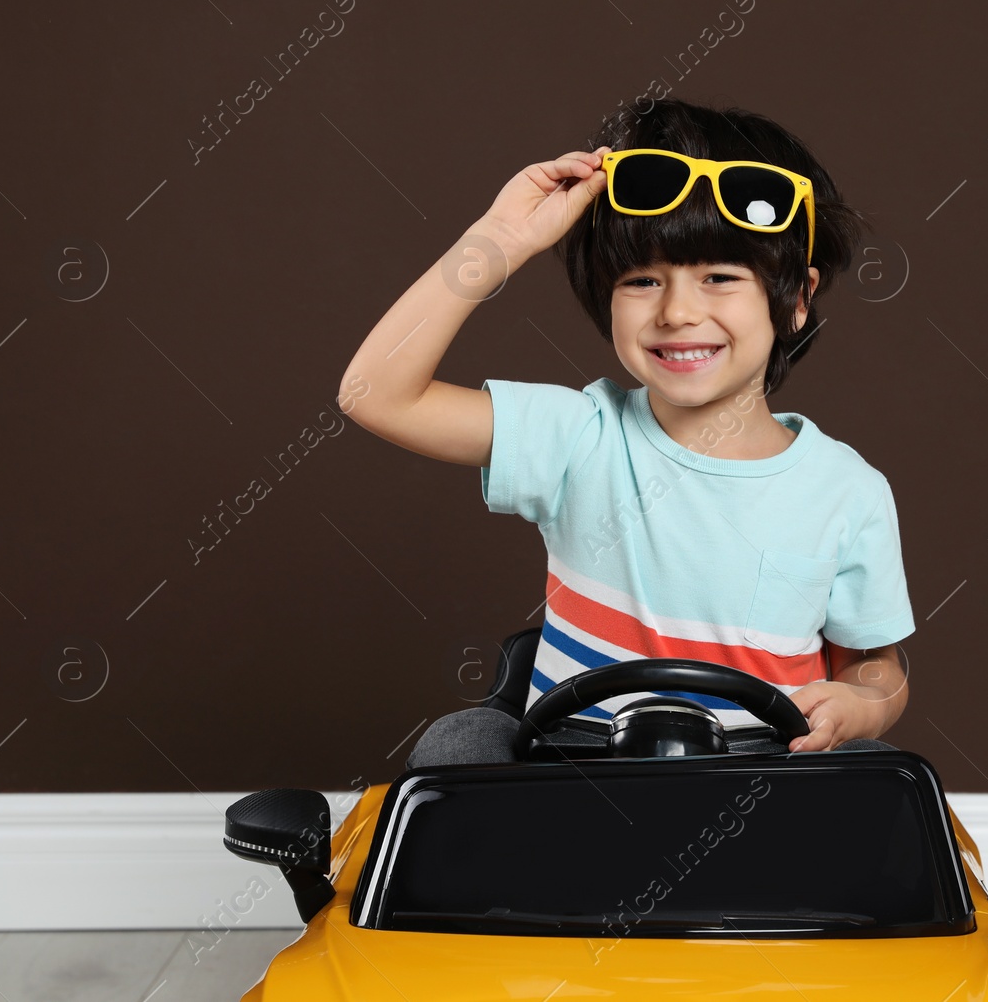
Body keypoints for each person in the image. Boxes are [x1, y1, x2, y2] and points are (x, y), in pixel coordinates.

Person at [339, 98, 915, 767]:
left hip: (761, 782)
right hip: (571, 773)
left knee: (876, 768)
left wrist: (863, 703)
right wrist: (498, 240)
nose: (676, 310)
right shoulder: (580, 436)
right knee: (458, 747)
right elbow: (373, 393)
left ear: (794, 300)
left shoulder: (846, 491)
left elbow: (875, 661)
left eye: (719, 277)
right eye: (643, 279)